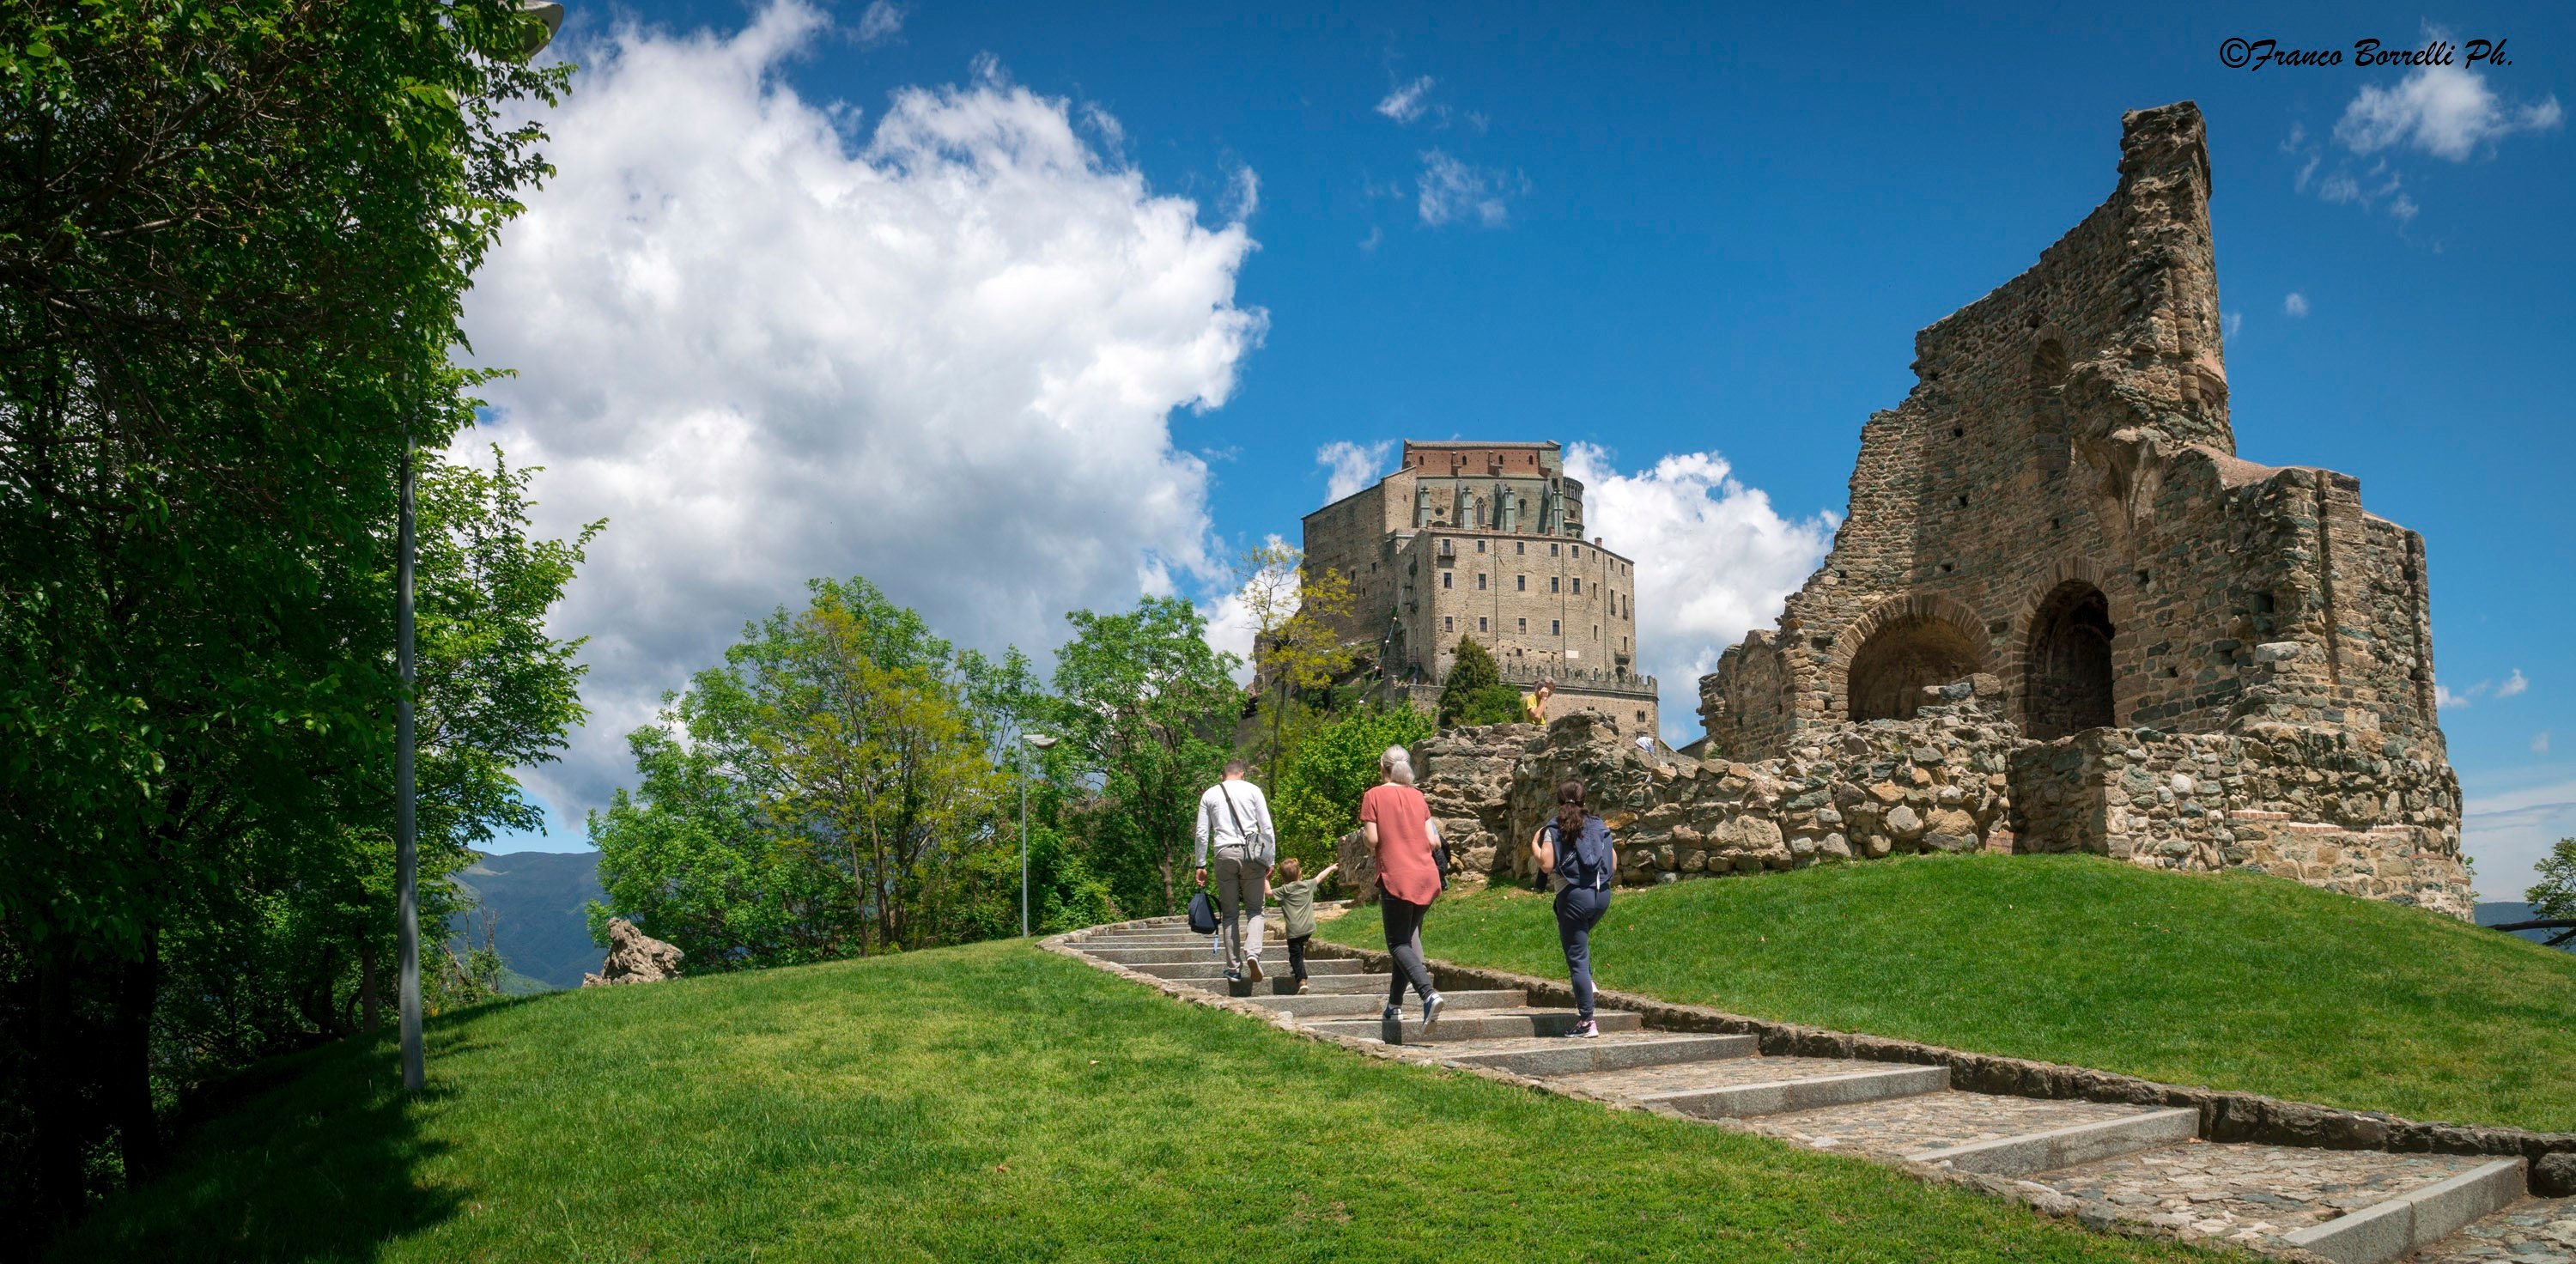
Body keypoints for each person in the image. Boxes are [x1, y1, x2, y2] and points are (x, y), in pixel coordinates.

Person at [1360, 745, 1446, 1031]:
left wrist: (1366, 835)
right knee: (1405, 940)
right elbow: (1433, 841)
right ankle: (1394, 1007)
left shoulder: (1373, 795)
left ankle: (1427, 993)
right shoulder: (1418, 796)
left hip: (1397, 877)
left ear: (1381, 767)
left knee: (1397, 943)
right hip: (1426, 877)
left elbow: (1372, 840)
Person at [1528, 777, 1615, 1038]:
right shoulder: (1600, 825)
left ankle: (1587, 1022)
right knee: (1581, 946)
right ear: (1584, 800)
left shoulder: (1554, 827)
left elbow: (1546, 863)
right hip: (1601, 896)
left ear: (1558, 799)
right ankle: (1587, 983)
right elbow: (1612, 864)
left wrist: (1534, 844)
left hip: (1574, 896)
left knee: (1576, 957)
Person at [1193, 760, 1277, 984]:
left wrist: (1200, 865)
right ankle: (1252, 953)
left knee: (1230, 914)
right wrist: (1271, 858)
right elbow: (1266, 827)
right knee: (1255, 910)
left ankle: (1233, 968)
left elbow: (1202, 833)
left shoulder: (1209, 794)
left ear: (1223, 776)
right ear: (1242, 774)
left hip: (1224, 854)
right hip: (1252, 853)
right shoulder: (1253, 790)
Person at [1266, 858, 1338, 994]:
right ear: (1300, 874)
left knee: (1295, 955)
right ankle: (1297, 970)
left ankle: (1302, 981)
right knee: (1299, 949)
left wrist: (1266, 878)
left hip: (1294, 931)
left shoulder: (1284, 890)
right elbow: (1320, 877)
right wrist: (1332, 868)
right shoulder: (1307, 885)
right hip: (1308, 928)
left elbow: (1268, 893)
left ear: (1282, 878)